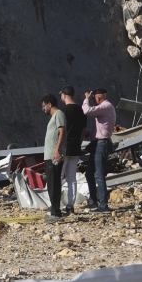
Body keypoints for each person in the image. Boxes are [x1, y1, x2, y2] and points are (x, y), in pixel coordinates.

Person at [82, 87, 116, 213]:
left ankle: (104, 204)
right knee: (90, 173)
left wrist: (86, 99)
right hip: (97, 143)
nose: (94, 100)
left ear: (98, 97)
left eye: (94, 98)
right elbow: (101, 127)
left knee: (99, 174)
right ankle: (93, 201)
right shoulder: (105, 108)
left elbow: (86, 110)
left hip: (102, 144)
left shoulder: (105, 106)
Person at [59, 86, 87, 215]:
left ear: (64, 95)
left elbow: (60, 131)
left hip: (64, 148)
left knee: (59, 177)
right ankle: (70, 206)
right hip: (75, 148)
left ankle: (56, 204)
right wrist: (79, 143)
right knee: (72, 178)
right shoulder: (81, 110)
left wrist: (57, 148)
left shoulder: (63, 111)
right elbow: (83, 130)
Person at [41, 94, 67, 223]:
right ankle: (54, 209)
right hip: (50, 156)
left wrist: (57, 151)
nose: (43, 109)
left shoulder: (59, 114)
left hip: (54, 156)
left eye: (44, 106)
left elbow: (62, 132)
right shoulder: (54, 117)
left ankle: (56, 213)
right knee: (51, 184)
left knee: (54, 184)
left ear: (49, 104)